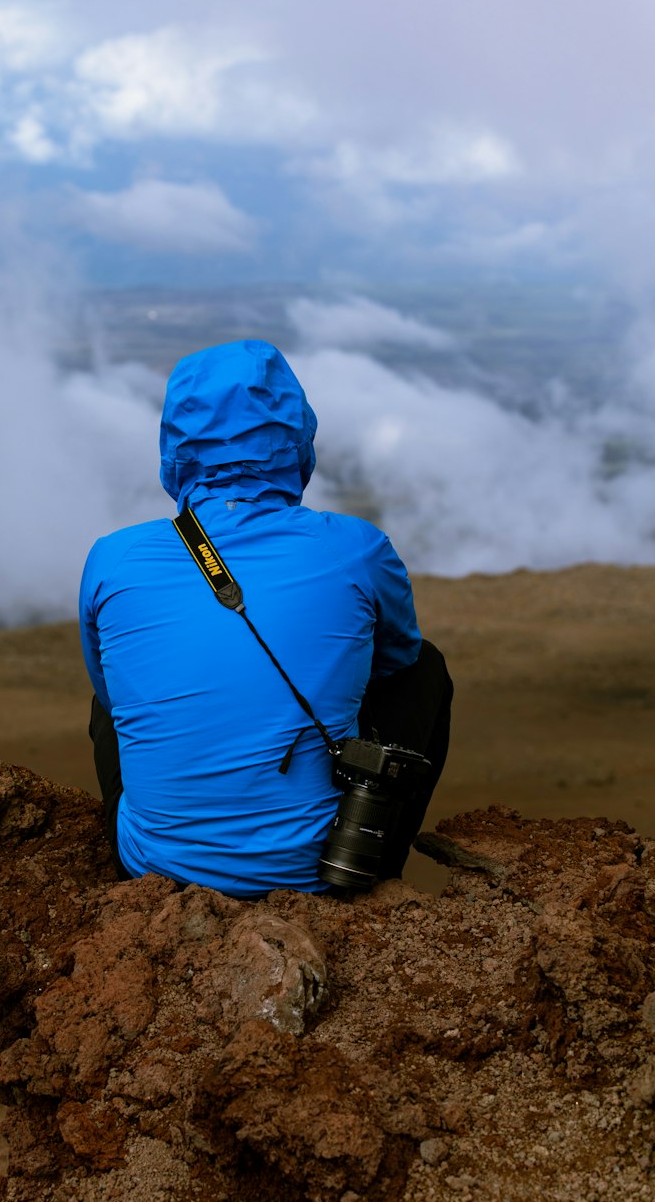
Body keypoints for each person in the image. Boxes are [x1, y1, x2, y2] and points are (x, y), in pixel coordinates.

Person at [79, 339, 452, 897]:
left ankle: (167, 857)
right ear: (297, 438)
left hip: (154, 869)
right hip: (316, 874)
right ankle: (371, 859)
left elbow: (112, 698)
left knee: (113, 693)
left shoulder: (113, 558)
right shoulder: (357, 549)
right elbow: (396, 662)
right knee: (424, 669)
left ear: (175, 447)